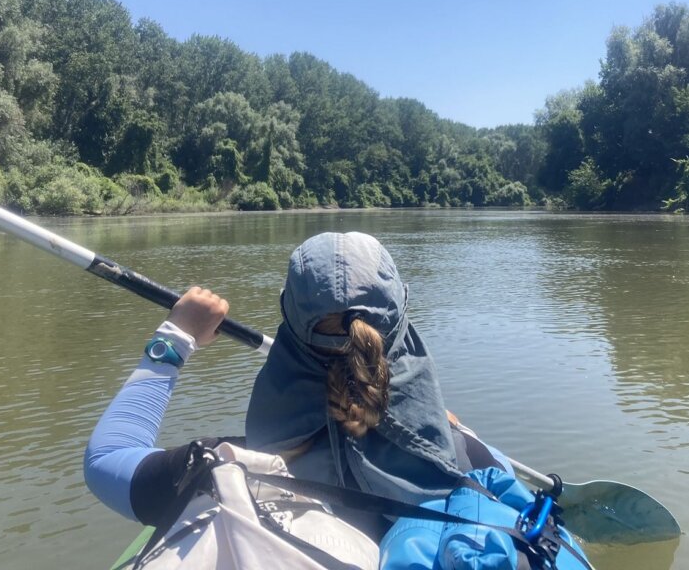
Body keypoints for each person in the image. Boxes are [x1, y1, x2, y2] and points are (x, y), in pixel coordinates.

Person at [83, 232, 516, 567]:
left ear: (288, 318)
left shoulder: (223, 469)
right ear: (403, 322)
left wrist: (176, 337)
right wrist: (442, 426)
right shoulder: (471, 460)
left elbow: (106, 459)